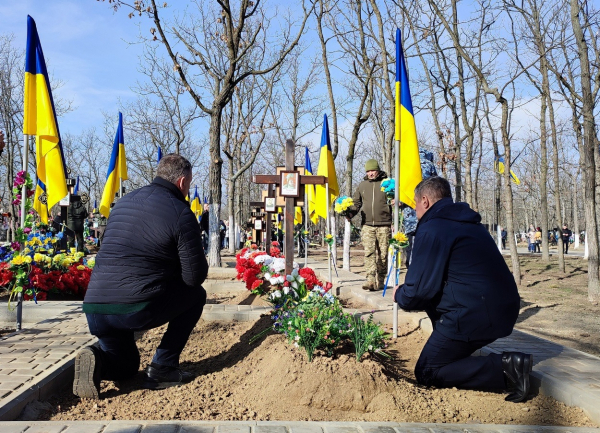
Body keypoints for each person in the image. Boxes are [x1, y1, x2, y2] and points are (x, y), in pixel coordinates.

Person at [73, 154, 208, 399]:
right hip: (134, 308)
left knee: (126, 366)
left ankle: (98, 360)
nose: (188, 190)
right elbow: (194, 277)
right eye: (188, 184)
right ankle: (163, 367)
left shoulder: (124, 203)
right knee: (196, 295)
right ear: (181, 183)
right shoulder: (180, 212)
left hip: (96, 308)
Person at [394, 176, 532, 403]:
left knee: (428, 370)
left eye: (415, 204)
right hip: (502, 308)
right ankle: (468, 353)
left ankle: (508, 368)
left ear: (425, 201)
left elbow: (419, 291)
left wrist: (400, 294)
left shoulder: (432, 228)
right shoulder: (469, 223)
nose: (415, 211)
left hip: (473, 313)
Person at [346, 159, 391, 291]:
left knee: (383, 254)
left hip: (384, 224)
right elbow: (356, 203)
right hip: (367, 225)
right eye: (368, 171)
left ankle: (381, 280)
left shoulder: (387, 183)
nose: (370, 173)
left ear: (378, 170)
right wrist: (349, 213)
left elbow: (394, 201)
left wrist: (394, 221)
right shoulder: (362, 185)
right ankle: (370, 280)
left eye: (373, 170)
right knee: (369, 253)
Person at [402, 150, 439, 268]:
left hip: (410, 212)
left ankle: (411, 268)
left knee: (410, 244)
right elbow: (436, 187)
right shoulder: (429, 165)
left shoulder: (407, 166)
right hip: (426, 211)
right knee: (425, 245)